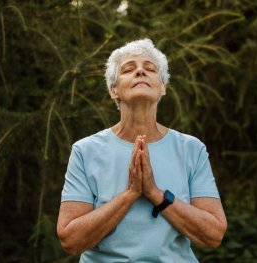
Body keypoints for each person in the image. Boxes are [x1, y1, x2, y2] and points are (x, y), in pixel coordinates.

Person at [57, 38, 227, 262]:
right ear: (114, 90)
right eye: (129, 69)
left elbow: (214, 234)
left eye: (150, 68)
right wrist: (131, 194)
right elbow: (70, 239)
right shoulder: (85, 151)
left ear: (162, 87)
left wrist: (156, 194)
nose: (140, 72)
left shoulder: (191, 149)